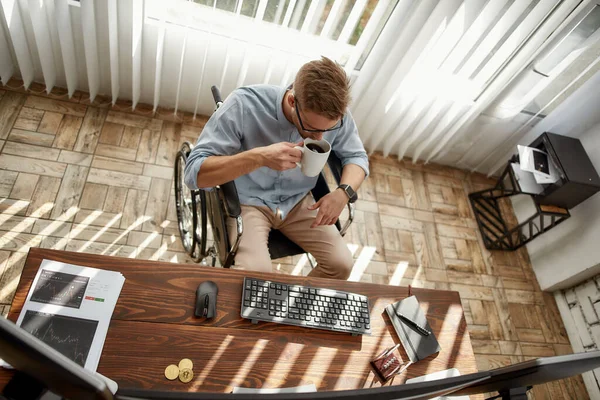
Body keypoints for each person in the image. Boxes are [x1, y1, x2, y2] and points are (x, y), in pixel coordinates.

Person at [184, 57, 369, 280]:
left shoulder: (336, 116)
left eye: (327, 130)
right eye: (311, 129)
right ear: (292, 101)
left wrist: (342, 193)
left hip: (299, 202)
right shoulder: (244, 105)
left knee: (342, 264)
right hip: (249, 202)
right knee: (257, 278)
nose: (320, 138)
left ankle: (292, 308)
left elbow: (357, 156)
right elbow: (193, 172)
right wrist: (259, 157)